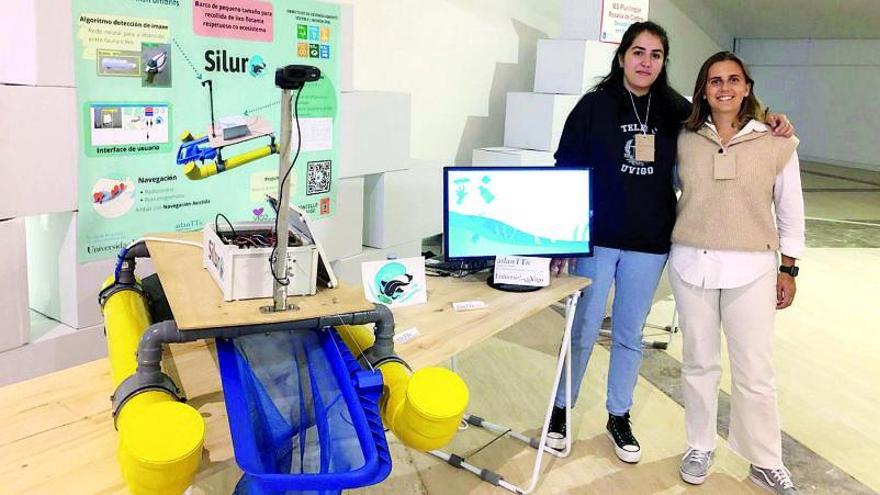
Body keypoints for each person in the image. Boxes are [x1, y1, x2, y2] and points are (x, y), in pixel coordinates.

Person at [548, 21, 793, 464]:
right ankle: (560, 411)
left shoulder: (677, 111)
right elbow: (564, 171)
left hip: (649, 242)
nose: (646, 62)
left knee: (628, 334)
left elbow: (728, 119)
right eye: (638, 52)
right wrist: (560, 240)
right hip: (596, 241)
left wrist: (770, 119)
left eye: (656, 55)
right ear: (622, 56)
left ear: (664, 62)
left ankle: (618, 415)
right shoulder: (592, 107)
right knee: (582, 330)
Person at [671, 51, 803, 494]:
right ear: (703, 90)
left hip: (753, 268)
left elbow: (790, 212)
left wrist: (789, 268)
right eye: (714, 81)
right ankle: (699, 444)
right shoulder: (685, 138)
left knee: (754, 370)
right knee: (698, 363)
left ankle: (765, 461)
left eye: (733, 80)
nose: (724, 88)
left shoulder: (777, 140)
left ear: (747, 86)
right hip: (692, 263)